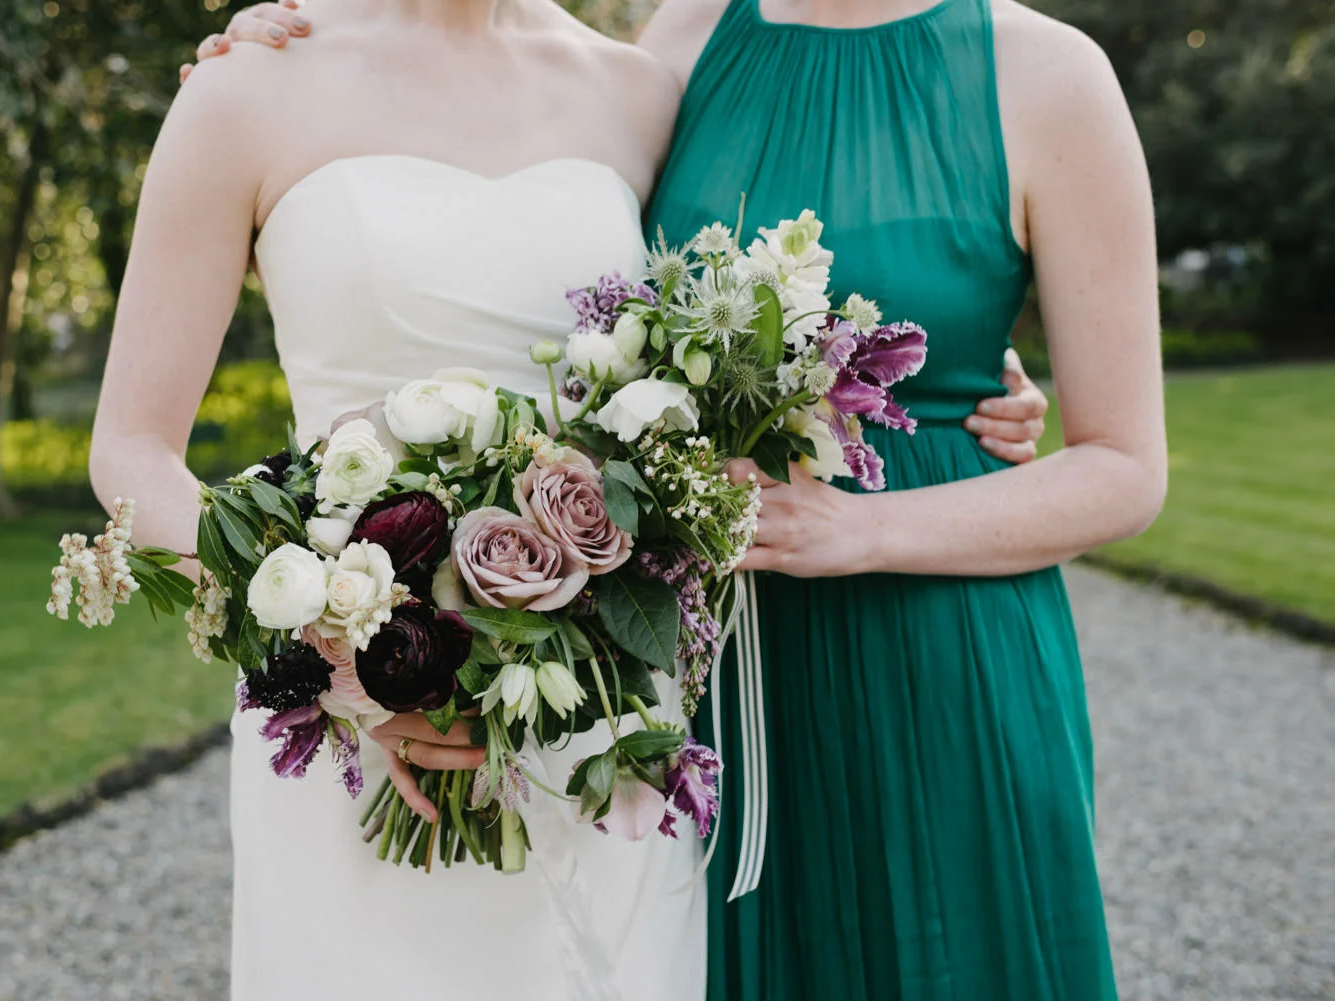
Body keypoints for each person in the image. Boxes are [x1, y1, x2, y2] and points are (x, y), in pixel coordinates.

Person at [161, 1, 1127, 999]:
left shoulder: (655, 77)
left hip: (760, 679)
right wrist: (350, 657)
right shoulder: (668, 49)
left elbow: (1117, 455)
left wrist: (953, 382)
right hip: (511, 678)